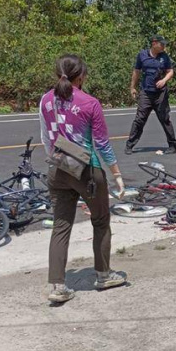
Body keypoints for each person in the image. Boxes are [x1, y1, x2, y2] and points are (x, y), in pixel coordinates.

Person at [39, 54, 126, 304]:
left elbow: (45, 138)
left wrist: (58, 158)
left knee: (61, 225)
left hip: (58, 168)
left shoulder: (45, 100)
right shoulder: (90, 103)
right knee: (100, 221)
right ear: (81, 76)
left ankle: (57, 285)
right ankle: (103, 274)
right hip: (87, 169)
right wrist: (117, 174)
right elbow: (102, 144)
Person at [126, 34, 176, 155]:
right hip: (146, 93)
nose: (164, 46)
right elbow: (136, 71)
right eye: (162, 44)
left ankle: (173, 145)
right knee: (139, 119)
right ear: (154, 44)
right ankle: (130, 145)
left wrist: (164, 80)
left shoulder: (164, 57)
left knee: (165, 119)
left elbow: (170, 72)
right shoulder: (142, 55)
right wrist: (132, 87)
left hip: (160, 94)